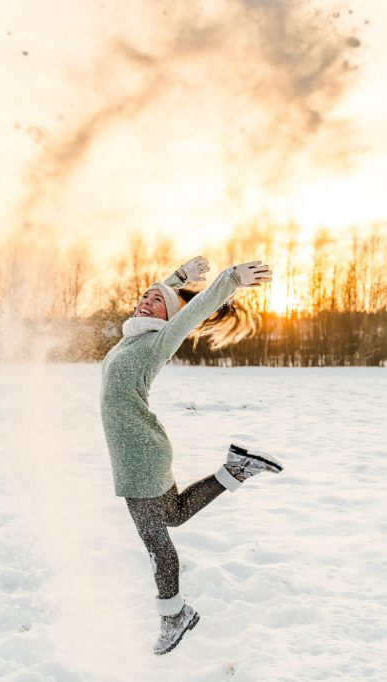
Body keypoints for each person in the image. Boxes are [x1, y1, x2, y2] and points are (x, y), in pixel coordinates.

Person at [99, 255, 285, 655]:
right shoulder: (130, 338)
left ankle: (174, 615)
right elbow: (160, 297)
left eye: (156, 302)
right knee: (173, 514)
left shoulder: (156, 342)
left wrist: (230, 279)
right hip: (139, 450)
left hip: (139, 455)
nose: (146, 302)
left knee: (156, 538)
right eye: (144, 297)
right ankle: (236, 469)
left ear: (168, 316)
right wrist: (176, 279)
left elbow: (192, 312)